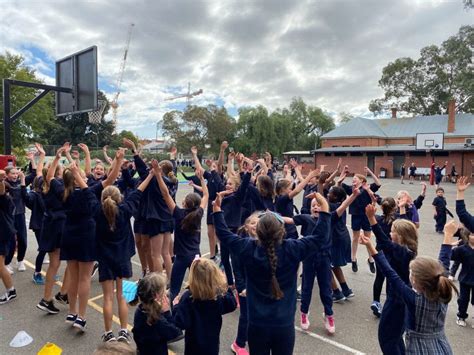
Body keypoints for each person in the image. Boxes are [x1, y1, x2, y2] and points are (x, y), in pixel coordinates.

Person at [213, 192, 330, 355]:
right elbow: (320, 237)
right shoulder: (293, 248)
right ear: (282, 231)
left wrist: (217, 209)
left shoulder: (248, 247)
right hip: (284, 324)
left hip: (257, 324)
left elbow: (224, 235)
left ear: (257, 232)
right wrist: (323, 205)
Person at [360, 220, 458, 354]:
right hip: (441, 347)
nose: (409, 276)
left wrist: (371, 247)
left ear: (418, 283)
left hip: (420, 350)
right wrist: (447, 236)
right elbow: (444, 264)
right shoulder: (441, 290)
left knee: (388, 338)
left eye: (411, 274)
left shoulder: (414, 298)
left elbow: (391, 274)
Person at [285, 188, 359, 334]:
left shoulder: (329, 218)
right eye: (313, 205)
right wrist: (272, 215)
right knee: (306, 288)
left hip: (325, 257)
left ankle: (329, 315)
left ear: (324, 206)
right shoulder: (305, 217)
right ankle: (304, 314)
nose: (315, 207)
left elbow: (343, 206)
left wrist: (354, 195)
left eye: (318, 204)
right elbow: (289, 220)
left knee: (326, 289)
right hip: (308, 257)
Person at [95, 167, 154, 343]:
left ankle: (108, 333)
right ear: (119, 198)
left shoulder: (97, 211)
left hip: (105, 259)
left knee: (107, 297)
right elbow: (138, 191)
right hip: (122, 257)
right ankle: (123, 330)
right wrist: (150, 174)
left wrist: (75, 172)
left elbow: (85, 190)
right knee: (121, 295)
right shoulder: (125, 209)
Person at [365, 204, 418, 355]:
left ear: (401, 236)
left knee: (387, 338)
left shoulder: (403, 251)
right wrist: (370, 245)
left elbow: (383, 242)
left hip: (397, 300)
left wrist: (371, 219)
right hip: (396, 297)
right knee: (395, 338)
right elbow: (385, 246)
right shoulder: (406, 249)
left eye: (393, 231)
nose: (390, 232)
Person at [155, 162, 208, 303]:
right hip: (196, 257)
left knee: (174, 289)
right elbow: (206, 195)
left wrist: (158, 175)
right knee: (199, 287)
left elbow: (165, 194)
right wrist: (202, 179)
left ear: (184, 203)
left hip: (181, 257)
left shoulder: (178, 213)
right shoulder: (199, 213)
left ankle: (172, 313)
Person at [173, 258, 237, 355]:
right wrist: (225, 286)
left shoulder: (189, 297)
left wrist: (176, 306)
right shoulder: (218, 296)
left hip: (193, 347)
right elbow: (232, 304)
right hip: (212, 345)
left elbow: (180, 323)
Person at [339, 166, 381, 273]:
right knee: (355, 237)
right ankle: (353, 258)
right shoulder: (350, 188)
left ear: (361, 181)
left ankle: (371, 259)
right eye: (353, 179)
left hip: (367, 216)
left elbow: (378, 183)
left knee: (367, 238)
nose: (353, 180)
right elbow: (339, 184)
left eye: (355, 178)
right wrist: (343, 175)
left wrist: (370, 171)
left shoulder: (368, 187)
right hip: (356, 215)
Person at [132, 273, 182, 355]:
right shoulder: (157, 319)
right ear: (157, 296)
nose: (166, 293)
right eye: (164, 291)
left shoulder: (140, 311)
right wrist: (167, 312)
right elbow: (175, 332)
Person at [451, 226, 474, 327]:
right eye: (472, 234)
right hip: (465, 279)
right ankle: (461, 316)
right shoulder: (462, 249)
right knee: (463, 299)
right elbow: (450, 257)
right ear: (467, 236)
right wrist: (449, 246)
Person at [0, 178, 17, 304]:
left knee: (0, 266)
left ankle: (11, 291)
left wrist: (0, 180)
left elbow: (1, 192)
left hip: (2, 235)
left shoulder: (5, 200)